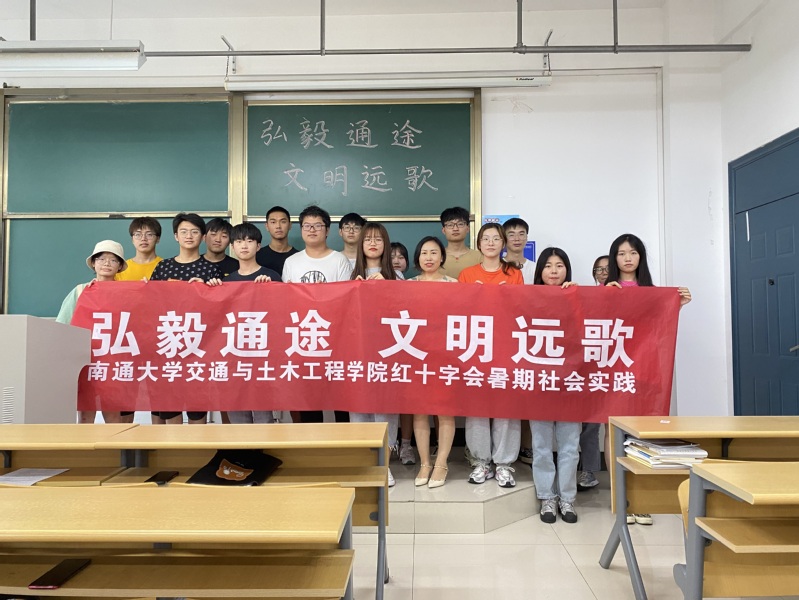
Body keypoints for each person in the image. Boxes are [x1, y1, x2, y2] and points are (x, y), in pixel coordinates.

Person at [605, 234, 692, 526]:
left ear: (640, 257)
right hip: (613, 371)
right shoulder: (607, 290)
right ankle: (621, 499)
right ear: (614, 258)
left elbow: (659, 328)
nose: (627, 258)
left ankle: (640, 498)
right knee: (613, 432)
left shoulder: (653, 292)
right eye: (621, 253)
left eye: (633, 252)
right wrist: (605, 297)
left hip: (644, 371)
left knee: (641, 434)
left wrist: (677, 305)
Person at [459, 223, 524, 488]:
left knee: (505, 406)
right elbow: (459, 311)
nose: (490, 243)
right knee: (477, 406)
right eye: (485, 238)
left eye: (496, 238)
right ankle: (480, 462)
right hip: (475, 347)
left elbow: (520, 310)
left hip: (507, 347)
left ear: (503, 243)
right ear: (479, 243)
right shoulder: (467, 274)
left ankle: (504, 463)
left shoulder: (514, 274)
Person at [283, 206, 353, 423]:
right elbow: (286, 301)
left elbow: (345, 299)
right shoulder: (292, 262)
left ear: (328, 230)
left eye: (317, 225)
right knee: (309, 395)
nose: (312, 230)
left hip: (334, 336)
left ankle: (344, 440)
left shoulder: (339, 260)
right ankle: (311, 439)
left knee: (340, 395)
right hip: (304, 337)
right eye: (307, 226)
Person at [150, 213, 222, 425]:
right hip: (168, 344)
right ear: (175, 236)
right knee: (170, 406)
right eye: (183, 232)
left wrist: (208, 289)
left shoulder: (211, 269)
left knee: (196, 408)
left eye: (194, 232)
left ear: (202, 237)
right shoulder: (163, 267)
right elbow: (149, 304)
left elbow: (220, 310)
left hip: (199, 346)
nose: (189, 236)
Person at [207, 222, 281, 424]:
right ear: (232, 246)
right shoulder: (226, 282)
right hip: (234, 357)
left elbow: (281, 315)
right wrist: (211, 290)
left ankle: (262, 446)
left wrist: (271, 289)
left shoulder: (271, 276)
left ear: (258, 246)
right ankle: (242, 447)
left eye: (250, 241)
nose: (244, 245)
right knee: (237, 416)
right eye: (239, 241)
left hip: (262, 356)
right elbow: (215, 320)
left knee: (264, 417)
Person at [530, 247, 581, 524]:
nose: (553, 271)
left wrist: (579, 296)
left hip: (571, 384)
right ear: (540, 271)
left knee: (570, 446)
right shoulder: (528, 298)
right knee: (541, 445)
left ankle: (567, 498)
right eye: (548, 265)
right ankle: (546, 497)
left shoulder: (577, 296)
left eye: (559, 265)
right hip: (539, 383)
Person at [56, 239, 131, 425]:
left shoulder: (127, 292)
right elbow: (62, 324)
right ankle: (84, 446)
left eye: (113, 260)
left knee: (113, 415)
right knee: (85, 415)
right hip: (85, 360)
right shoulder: (81, 291)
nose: (107, 263)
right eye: (101, 259)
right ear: (94, 263)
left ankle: (113, 446)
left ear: (120, 266)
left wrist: (145, 289)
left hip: (114, 360)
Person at [349, 222, 400, 486]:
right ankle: (364, 466)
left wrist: (387, 287)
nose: (372, 243)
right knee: (359, 409)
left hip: (387, 354)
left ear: (385, 245)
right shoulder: (349, 272)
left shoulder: (397, 276)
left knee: (385, 411)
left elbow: (406, 313)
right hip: (357, 352)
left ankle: (384, 467)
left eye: (378, 239)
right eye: (367, 238)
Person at [409, 236, 458, 488]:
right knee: (420, 411)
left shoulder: (454, 285)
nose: (429, 257)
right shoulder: (408, 285)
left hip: (445, 356)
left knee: (444, 410)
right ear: (418, 257)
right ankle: (425, 463)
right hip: (416, 355)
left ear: (442, 257)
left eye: (434, 252)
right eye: (424, 253)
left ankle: (441, 463)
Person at [503, 217, 536, 465]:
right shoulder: (497, 267)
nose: (516, 238)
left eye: (521, 233)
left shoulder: (536, 267)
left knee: (527, 393)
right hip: (503, 337)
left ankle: (527, 446)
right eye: (511, 233)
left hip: (530, 336)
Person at [576, 255, 610, 492]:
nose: (603, 273)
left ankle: (629, 477)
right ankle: (588, 470)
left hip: (621, 368)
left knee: (619, 426)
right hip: (592, 368)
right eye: (598, 269)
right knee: (590, 424)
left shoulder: (632, 294)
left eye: (607, 269)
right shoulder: (586, 296)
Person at [390, 241, 414, 463]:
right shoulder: (379, 281)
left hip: (407, 347)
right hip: (386, 349)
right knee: (388, 402)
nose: (396, 260)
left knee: (407, 403)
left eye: (401, 256)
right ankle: (390, 445)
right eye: (392, 256)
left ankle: (406, 445)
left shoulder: (413, 285)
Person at [439, 206, 481, 279]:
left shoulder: (480, 257)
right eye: (450, 225)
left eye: (460, 224)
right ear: (443, 230)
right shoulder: (436, 257)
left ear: (467, 228)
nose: (455, 229)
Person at [256, 205, 300, 275]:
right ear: (267, 226)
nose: (278, 226)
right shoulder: (257, 257)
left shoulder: (298, 257)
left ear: (290, 225)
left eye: (283, 222)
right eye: (273, 222)